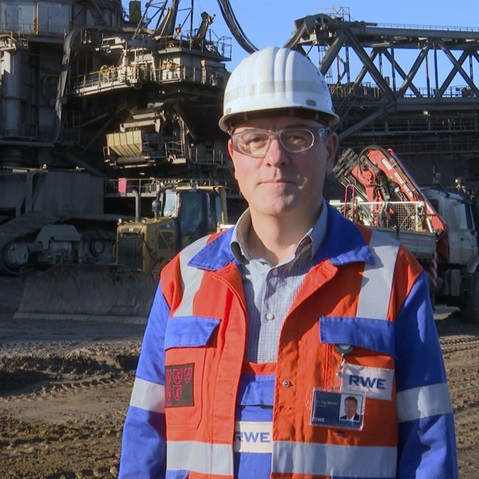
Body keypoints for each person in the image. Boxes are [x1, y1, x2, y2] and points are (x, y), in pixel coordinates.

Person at [118, 46, 458, 478]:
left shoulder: (391, 277)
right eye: (254, 140)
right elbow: (145, 440)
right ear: (233, 158)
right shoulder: (183, 280)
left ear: (330, 150)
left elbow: (429, 449)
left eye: (297, 137)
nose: (274, 157)